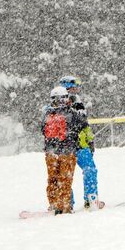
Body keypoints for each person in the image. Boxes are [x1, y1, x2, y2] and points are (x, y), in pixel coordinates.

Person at [41, 85, 86, 214]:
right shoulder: (70, 112)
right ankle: (65, 206)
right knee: (65, 179)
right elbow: (82, 124)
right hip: (67, 151)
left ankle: (54, 204)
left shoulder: (47, 113)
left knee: (52, 178)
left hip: (51, 152)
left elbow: (42, 130)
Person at [59, 75, 102, 210]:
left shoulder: (78, 101)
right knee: (65, 175)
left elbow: (85, 125)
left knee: (90, 170)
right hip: (65, 146)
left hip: (81, 145)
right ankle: (66, 202)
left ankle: (91, 198)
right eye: (73, 87)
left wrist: (90, 141)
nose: (76, 89)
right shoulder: (57, 103)